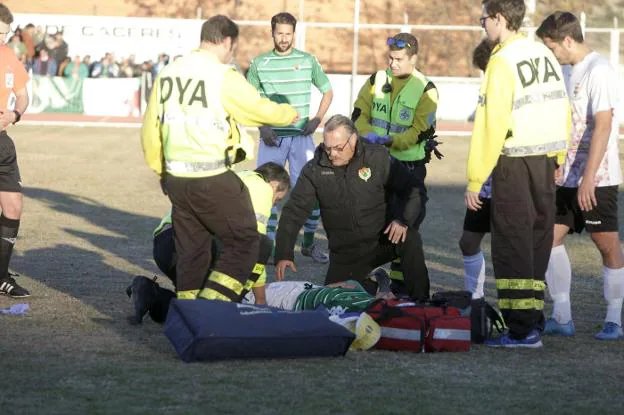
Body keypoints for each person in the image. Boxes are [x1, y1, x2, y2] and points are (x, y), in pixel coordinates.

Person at [141, 15, 298, 303]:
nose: (231, 54)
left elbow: (151, 128)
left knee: (193, 250)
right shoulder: (220, 75)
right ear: (226, 41)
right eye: (232, 47)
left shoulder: (168, 73)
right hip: (211, 176)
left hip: (177, 180)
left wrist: (161, 171)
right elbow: (256, 109)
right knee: (247, 240)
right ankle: (210, 306)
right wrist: (288, 113)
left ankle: (187, 311)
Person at [466, 0, 570, 348]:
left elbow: (489, 124)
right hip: (545, 162)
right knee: (537, 241)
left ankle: (520, 330)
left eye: (484, 19)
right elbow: (561, 104)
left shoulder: (501, 59)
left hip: (514, 161)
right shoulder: (542, 53)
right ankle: (532, 323)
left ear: (498, 18)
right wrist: (558, 156)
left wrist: (475, 178)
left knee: (511, 242)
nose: (483, 25)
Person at [274, 115, 430, 301]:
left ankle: (422, 302)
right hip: (346, 254)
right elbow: (294, 212)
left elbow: (414, 189)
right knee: (333, 304)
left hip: (382, 241)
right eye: (327, 148)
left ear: (353, 139)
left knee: (410, 238)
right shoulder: (314, 170)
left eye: (338, 148)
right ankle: (376, 282)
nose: (332, 154)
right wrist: (284, 253)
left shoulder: (377, 157)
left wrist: (403, 220)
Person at [537, 12, 624, 340]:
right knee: (549, 239)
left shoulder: (599, 71)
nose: (552, 52)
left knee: (606, 245)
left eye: (552, 46)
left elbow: (603, 125)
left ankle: (614, 320)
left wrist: (588, 179)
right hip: (566, 176)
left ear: (568, 40)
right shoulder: (565, 69)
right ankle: (561, 316)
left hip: (596, 179)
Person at [127, 163, 291, 324]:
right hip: (190, 244)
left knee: (193, 306)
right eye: (277, 200)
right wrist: (261, 300)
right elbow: (254, 246)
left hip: (166, 243)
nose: (274, 204)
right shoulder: (260, 187)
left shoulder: (236, 179)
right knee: (261, 247)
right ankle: (220, 314)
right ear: (274, 184)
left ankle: (151, 295)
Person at [351, 32, 439, 293]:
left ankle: (403, 288)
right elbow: (358, 114)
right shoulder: (376, 80)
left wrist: (389, 141)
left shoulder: (426, 89)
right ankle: (367, 282)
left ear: (413, 58)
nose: (392, 64)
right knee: (369, 226)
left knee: (404, 229)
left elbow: (420, 131)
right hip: (375, 166)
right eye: (390, 58)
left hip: (408, 170)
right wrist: (368, 137)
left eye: (399, 59)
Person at [246, 12, 333, 264]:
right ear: (271, 32)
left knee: (311, 191)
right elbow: (250, 102)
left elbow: (327, 91)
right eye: (279, 33)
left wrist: (317, 119)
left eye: (288, 33)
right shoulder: (259, 63)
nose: (283, 38)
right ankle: (268, 248)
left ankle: (307, 244)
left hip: (301, 139)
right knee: (266, 193)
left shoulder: (307, 60)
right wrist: (262, 127)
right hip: (272, 138)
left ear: (294, 33)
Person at [460, 38, 495, 300]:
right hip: (485, 182)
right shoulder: (487, 90)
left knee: (510, 248)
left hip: (509, 180)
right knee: (468, 241)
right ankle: (475, 298)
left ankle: (535, 309)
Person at [0, 4, 30, 298]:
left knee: (13, 207)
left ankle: (1, 276)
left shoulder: (8, 56)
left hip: (2, 141)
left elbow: (23, 95)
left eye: (6, 34)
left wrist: (15, 114)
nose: (3, 38)